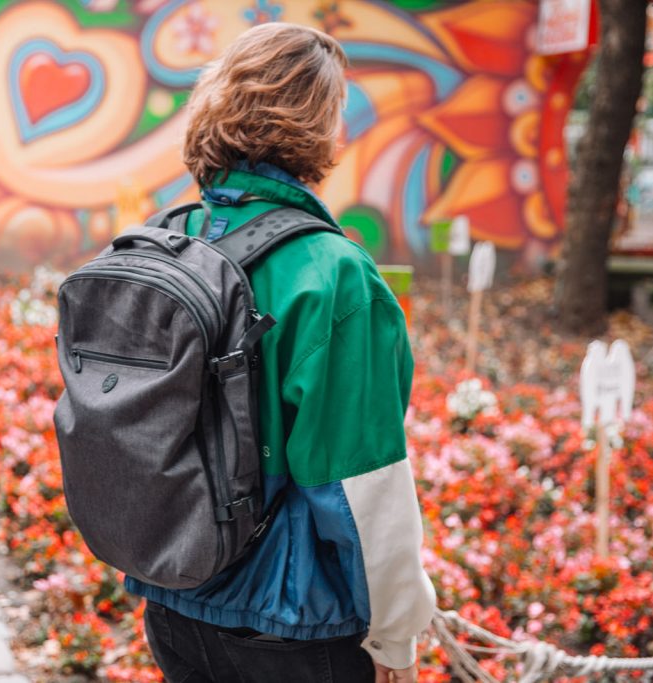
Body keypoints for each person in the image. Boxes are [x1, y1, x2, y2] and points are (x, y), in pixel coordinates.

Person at [123, 22, 436, 683]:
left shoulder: (162, 242)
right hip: (293, 627)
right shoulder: (333, 273)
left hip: (173, 603)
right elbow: (362, 486)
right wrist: (397, 639)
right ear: (319, 123)